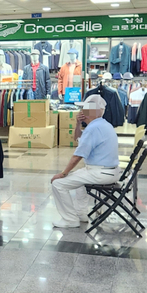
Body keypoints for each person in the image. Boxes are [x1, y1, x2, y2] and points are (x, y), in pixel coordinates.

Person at [49, 95, 120, 229]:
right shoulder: (102, 125)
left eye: (85, 109)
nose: (82, 111)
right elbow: (77, 138)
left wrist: (63, 173)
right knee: (79, 181)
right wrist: (77, 124)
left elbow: (78, 156)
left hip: (100, 172)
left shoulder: (93, 129)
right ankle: (80, 214)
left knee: (58, 184)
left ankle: (70, 219)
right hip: (108, 171)